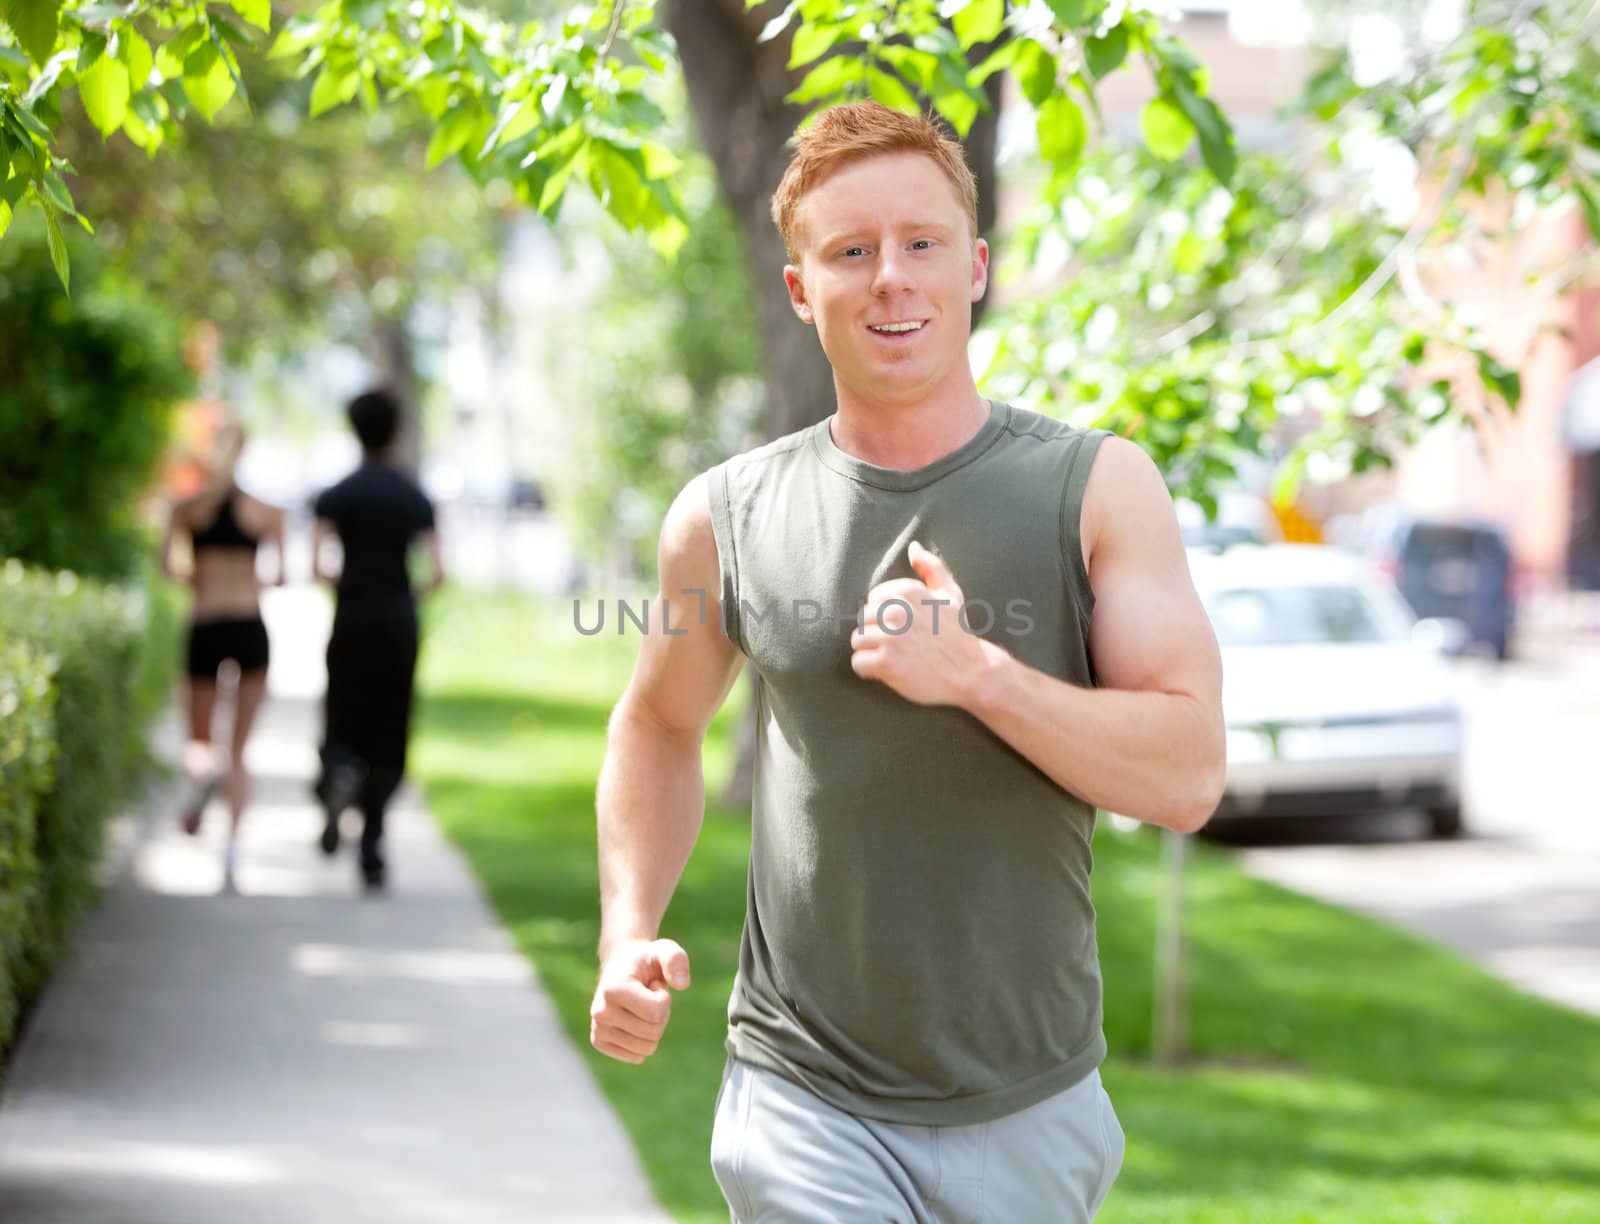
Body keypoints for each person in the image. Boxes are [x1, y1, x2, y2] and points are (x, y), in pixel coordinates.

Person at [588, 102, 1226, 1221]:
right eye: (850, 251)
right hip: (801, 1095)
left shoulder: (1095, 489)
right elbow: (656, 725)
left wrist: (977, 673)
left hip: (1028, 1098)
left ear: (973, 266)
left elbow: (1184, 773)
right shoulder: (723, 518)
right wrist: (625, 932)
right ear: (800, 289)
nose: (891, 277)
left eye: (921, 243)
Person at [311, 388, 444, 889]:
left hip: (352, 616)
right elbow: (437, 571)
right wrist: (406, 593)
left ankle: (339, 770)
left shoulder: (336, 494)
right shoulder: (413, 496)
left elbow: (319, 564)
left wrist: (346, 587)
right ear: (395, 431)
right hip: (397, 620)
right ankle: (371, 845)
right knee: (390, 726)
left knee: (344, 713)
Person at [160, 421, 285, 891]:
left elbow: (167, 566)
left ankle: (202, 781)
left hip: (206, 624)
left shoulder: (188, 509)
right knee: (240, 748)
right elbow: (280, 578)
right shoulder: (267, 511)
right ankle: (231, 850)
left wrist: (200, 581)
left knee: (199, 741)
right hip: (249, 626)